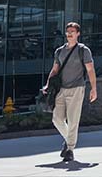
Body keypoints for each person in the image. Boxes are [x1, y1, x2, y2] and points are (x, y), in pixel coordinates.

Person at [41, 22, 97, 161]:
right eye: (68, 31)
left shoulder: (83, 50)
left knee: (73, 121)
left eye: (73, 31)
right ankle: (69, 140)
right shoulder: (59, 51)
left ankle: (70, 149)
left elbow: (90, 70)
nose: (70, 33)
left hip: (77, 88)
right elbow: (55, 70)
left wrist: (94, 89)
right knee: (57, 119)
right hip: (60, 89)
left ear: (78, 33)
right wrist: (48, 84)